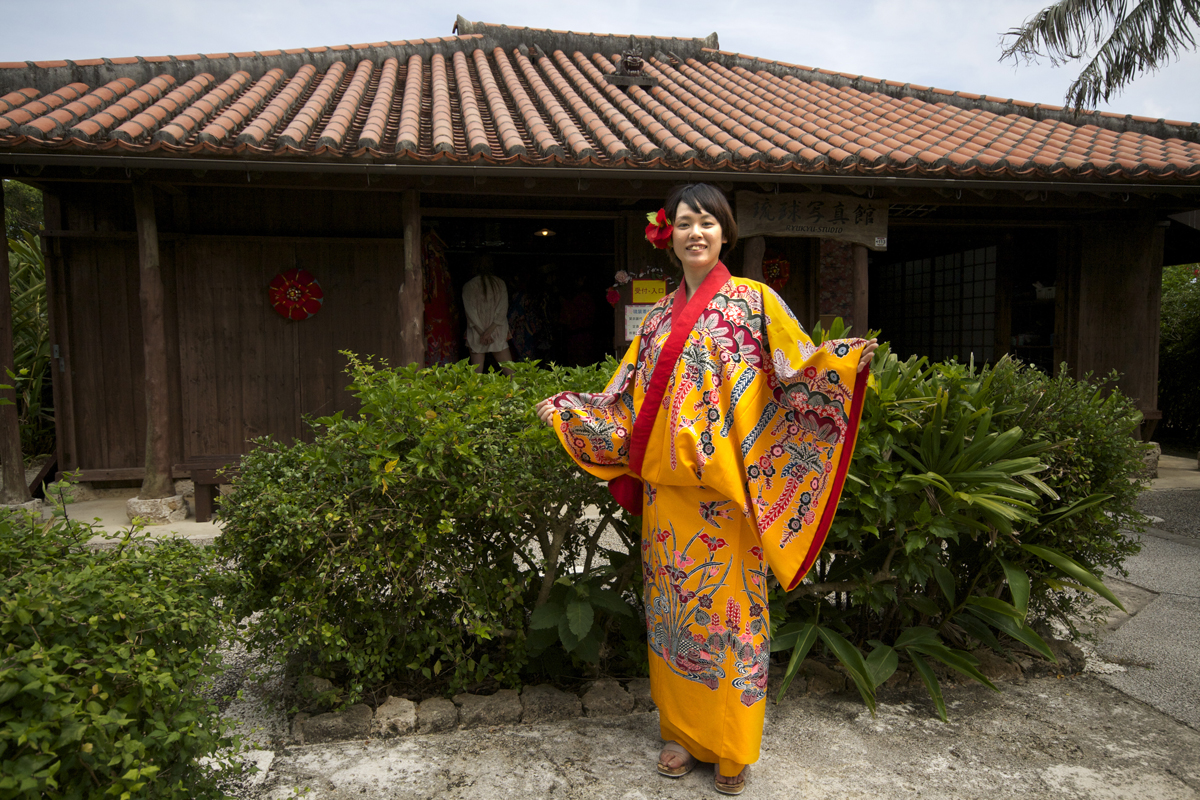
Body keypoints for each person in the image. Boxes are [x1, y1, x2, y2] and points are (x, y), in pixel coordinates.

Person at [536, 184, 877, 795]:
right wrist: (572, 412)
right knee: (671, 619)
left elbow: (797, 374)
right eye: (686, 223)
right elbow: (626, 395)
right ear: (669, 236)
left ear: (726, 234)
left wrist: (843, 366)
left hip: (727, 500)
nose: (698, 233)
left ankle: (732, 746)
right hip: (667, 501)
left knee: (731, 621)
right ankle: (681, 735)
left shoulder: (755, 302)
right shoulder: (659, 317)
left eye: (709, 224)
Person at [462, 254, 515, 375]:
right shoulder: (500, 283)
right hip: (497, 332)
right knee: (511, 374)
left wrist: (482, 333)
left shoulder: (469, 285)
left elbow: (471, 313)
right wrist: (489, 332)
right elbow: (502, 311)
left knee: (476, 376)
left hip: (477, 334)